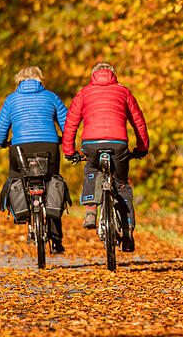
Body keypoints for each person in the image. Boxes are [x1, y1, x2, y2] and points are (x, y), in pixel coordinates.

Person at [62, 62, 149, 252]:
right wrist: (142, 148)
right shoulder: (124, 92)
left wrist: (69, 151)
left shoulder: (83, 93)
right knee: (122, 184)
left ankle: (91, 211)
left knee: (91, 169)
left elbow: (71, 124)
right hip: (118, 143)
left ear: (92, 76)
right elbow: (138, 121)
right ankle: (127, 229)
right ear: (114, 75)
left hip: (91, 143)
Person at [0, 66, 69, 254]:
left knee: (17, 178)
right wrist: (65, 141)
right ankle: (56, 239)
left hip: (20, 148)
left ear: (19, 80)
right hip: (49, 146)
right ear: (40, 79)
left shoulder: (11, 100)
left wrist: (2, 143)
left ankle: (24, 214)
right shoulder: (51, 97)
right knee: (52, 183)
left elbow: (1, 128)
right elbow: (67, 124)